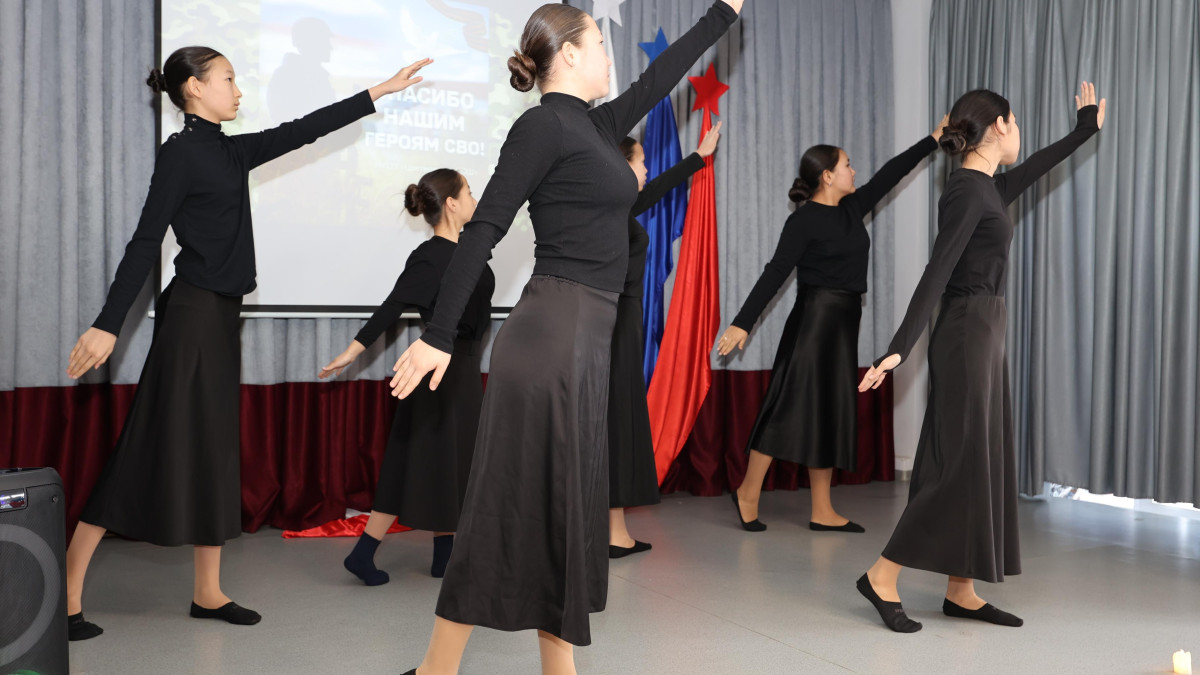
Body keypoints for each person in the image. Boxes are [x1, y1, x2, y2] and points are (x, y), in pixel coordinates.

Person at [388, 2, 744, 673]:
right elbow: (485, 228)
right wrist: (438, 334)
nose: (611, 56)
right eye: (601, 44)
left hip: (584, 337)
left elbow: (659, 77)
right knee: (509, 508)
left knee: (563, 509)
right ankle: (437, 668)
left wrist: (722, 13)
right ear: (571, 54)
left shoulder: (596, 125)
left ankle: (555, 668)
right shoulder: (541, 126)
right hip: (551, 335)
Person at [63, 45, 431, 641]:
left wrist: (378, 91)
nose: (238, 90)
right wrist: (108, 323)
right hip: (190, 319)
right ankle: (67, 597)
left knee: (213, 452)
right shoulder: (180, 153)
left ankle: (207, 593)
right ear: (193, 88)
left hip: (218, 320)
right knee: (143, 450)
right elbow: (145, 241)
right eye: (228, 79)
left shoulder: (231, 151)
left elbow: (303, 129)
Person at [856, 83, 1105, 633]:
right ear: (999, 125)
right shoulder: (968, 192)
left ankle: (961, 589)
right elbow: (937, 270)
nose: (1020, 135)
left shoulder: (987, 186)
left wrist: (1085, 129)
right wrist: (899, 347)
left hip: (985, 330)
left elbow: (1037, 166)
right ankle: (881, 575)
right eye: (1016, 124)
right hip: (966, 331)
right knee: (956, 463)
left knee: (978, 461)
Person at [717, 116, 949, 533]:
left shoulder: (852, 208)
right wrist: (742, 323)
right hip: (812, 323)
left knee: (828, 412)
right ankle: (748, 492)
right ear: (827, 176)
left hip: (844, 323)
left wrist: (933, 139)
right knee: (785, 410)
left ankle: (822, 509)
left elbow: (892, 172)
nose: (854, 171)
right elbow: (775, 272)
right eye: (847, 165)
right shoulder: (803, 220)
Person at [320, 169, 492, 582]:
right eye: (469, 192)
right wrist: (352, 350)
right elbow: (394, 305)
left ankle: (443, 556)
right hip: (438, 374)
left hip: (462, 371)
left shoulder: (469, 250)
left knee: (452, 463)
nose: (475, 199)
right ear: (451, 203)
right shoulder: (430, 256)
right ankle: (364, 553)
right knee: (412, 463)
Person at [609, 123, 723, 558]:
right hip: (614, 326)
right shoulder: (608, 212)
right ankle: (611, 533)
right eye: (640, 161)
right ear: (621, 166)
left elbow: (656, 188)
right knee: (616, 424)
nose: (646, 169)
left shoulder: (617, 207)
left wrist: (698, 157)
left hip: (622, 323)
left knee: (617, 425)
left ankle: (613, 530)